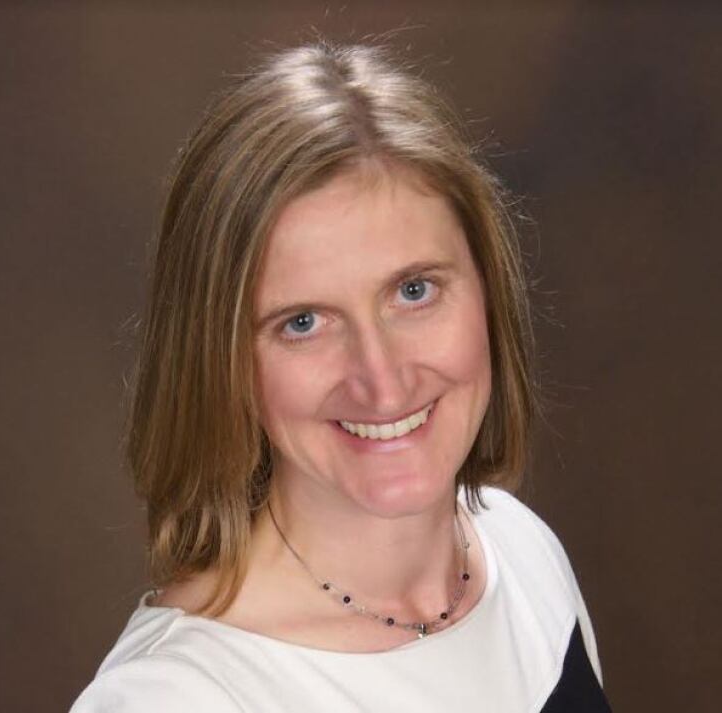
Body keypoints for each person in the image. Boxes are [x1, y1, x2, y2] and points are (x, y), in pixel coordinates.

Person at [71, 41, 612, 712]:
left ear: (487, 291)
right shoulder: (177, 697)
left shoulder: (520, 550)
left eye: (414, 290)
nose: (382, 382)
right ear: (222, 363)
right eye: (303, 322)